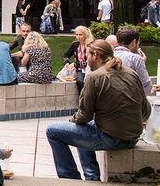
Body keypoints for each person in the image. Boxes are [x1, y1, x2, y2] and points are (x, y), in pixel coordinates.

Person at [46, 40, 149, 180]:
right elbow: (146, 110)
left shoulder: (94, 77)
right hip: (133, 137)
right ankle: (91, 176)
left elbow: (84, 115)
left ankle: (70, 178)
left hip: (113, 138)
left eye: (87, 56)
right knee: (83, 128)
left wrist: (73, 120)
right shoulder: (131, 73)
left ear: (95, 55)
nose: (86, 60)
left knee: (53, 131)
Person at [113, 28, 153, 95]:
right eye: (138, 44)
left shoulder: (108, 55)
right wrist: (141, 62)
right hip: (129, 99)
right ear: (134, 42)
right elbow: (146, 87)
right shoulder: (136, 59)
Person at [63, 26, 94, 92]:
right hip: (79, 69)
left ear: (85, 35)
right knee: (80, 81)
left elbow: (90, 61)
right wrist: (67, 62)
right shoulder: (75, 44)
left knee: (85, 82)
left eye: (80, 35)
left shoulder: (90, 45)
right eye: (76, 35)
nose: (78, 37)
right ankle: (82, 97)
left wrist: (75, 64)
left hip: (90, 68)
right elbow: (66, 55)